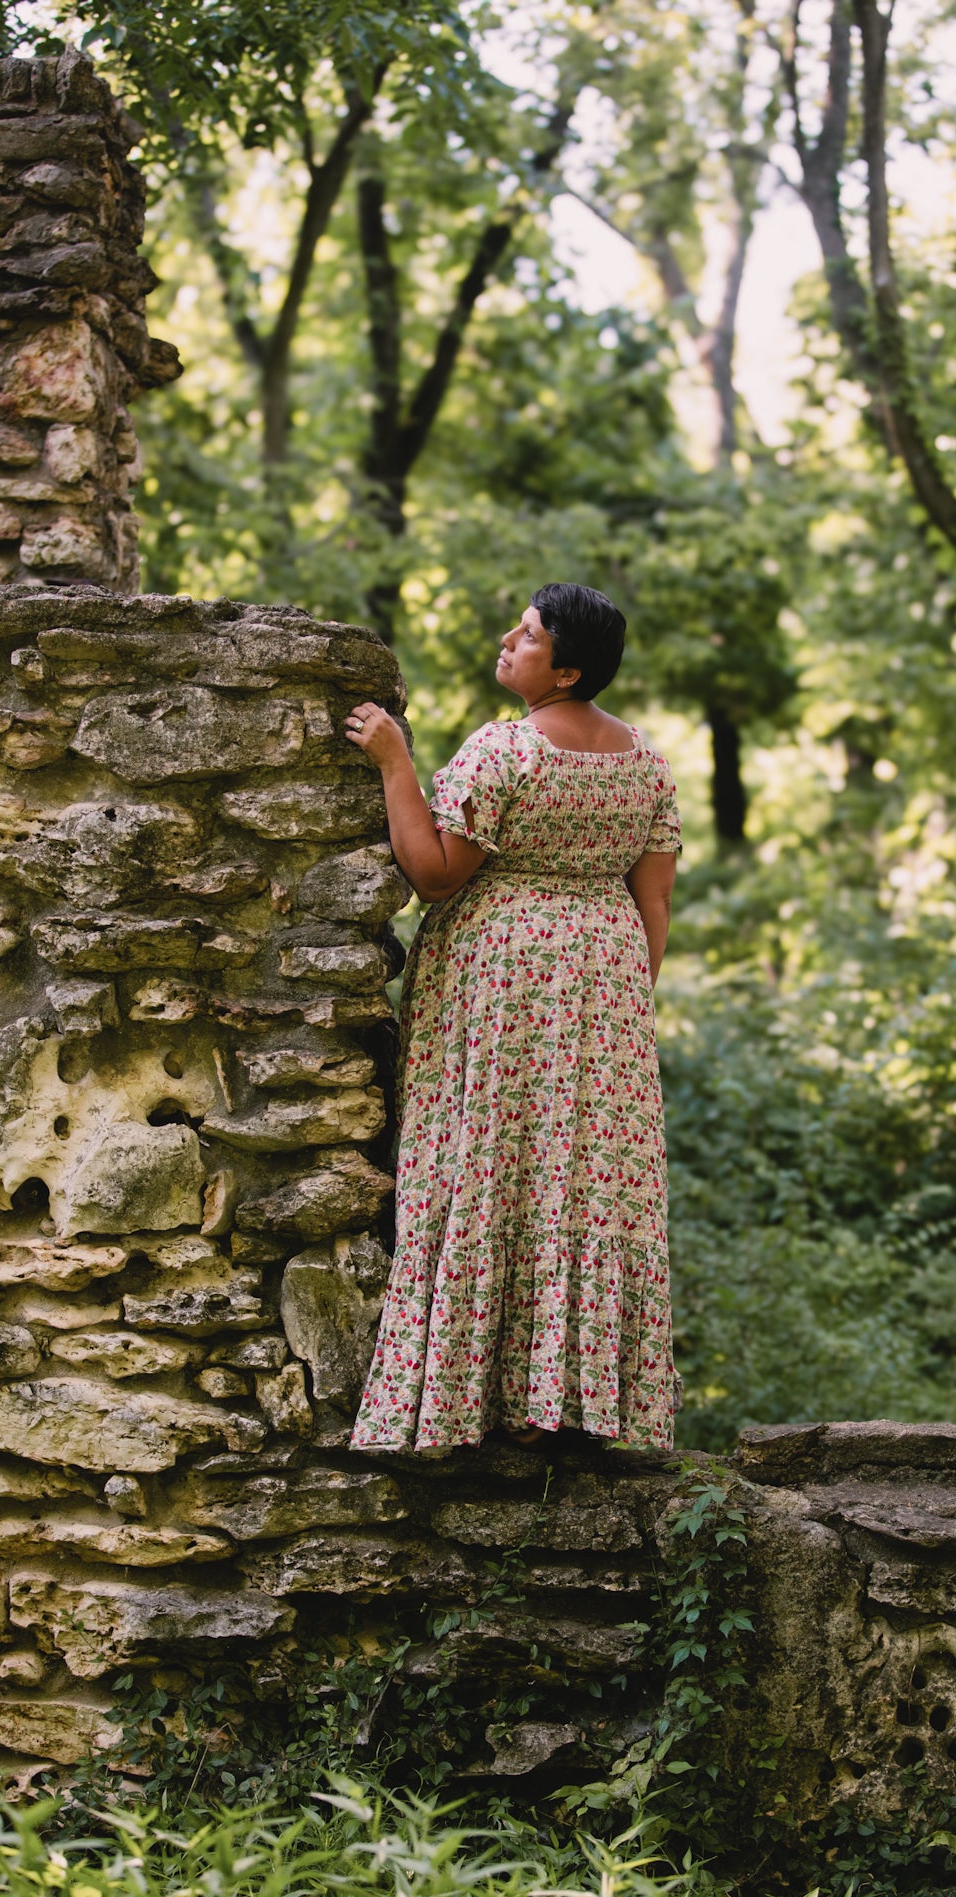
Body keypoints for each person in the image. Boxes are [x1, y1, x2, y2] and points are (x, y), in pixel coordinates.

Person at [343, 582, 681, 1453]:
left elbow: (435, 874)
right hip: (605, 983)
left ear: (564, 669)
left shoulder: (507, 752)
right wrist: (619, 1008)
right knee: (584, 1184)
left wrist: (393, 762)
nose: (507, 640)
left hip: (502, 980)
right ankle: (573, 1408)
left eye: (526, 637)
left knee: (490, 1165)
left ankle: (471, 1402)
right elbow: (655, 901)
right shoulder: (645, 763)